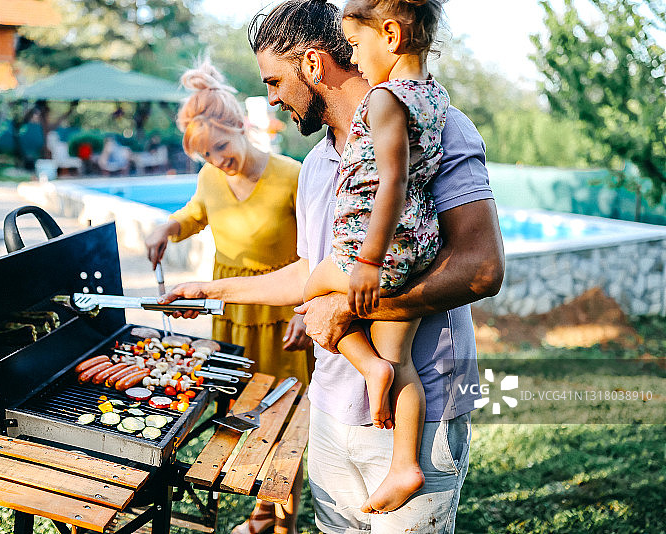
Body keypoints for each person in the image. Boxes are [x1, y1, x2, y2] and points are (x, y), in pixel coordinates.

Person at [161, 1, 505, 532]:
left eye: (275, 81)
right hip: (329, 405)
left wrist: (350, 308)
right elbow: (309, 272)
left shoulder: (439, 128)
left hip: (421, 411)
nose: (271, 99)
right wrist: (207, 290)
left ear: (314, 65)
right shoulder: (314, 165)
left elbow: (482, 269)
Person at [143, 60, 314, 534]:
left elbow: (319, 252)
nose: (217, 161)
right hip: (230, 316)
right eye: (206, 155)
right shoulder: (210, 178)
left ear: (240, 125)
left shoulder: (293, 175)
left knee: (284, 425)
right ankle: (261, 513)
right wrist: (167, 227)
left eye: (220, 147)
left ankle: (282, 523)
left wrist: (307, 309)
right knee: (240, 419)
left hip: (283, 318)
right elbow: (195, 213)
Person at [301, 0, 449, 514]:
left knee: (312, 292)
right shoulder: (435, 96)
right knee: (400, 358)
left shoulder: (384, 99)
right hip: (417, 244)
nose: (355, 58)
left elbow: (393, 180)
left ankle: (368, 368)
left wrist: (365, 261)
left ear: (389, 35)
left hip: (372, 249)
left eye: (356, 44)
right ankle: (405, 464)